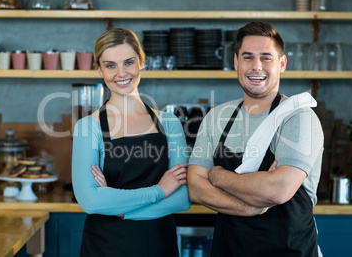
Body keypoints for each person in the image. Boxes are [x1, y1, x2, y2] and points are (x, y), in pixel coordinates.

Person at [188, 21, 324, 257]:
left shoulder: (298, 117)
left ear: (282, 64)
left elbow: (278, 191)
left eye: (266, 58)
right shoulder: (217, 117)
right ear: (235, 63)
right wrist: (253, 205)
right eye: (248, 57)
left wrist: (218, 176)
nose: (256, 66)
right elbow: (195, 187)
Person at [72, 28, 191, 257]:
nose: (121, 73)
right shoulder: (89, 127)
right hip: (105, 247)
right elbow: (91, 201)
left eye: (129, 62)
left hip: (159, 246)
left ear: (141, 62)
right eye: (110, 65)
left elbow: (182, 198)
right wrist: (160, 190)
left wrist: (121, 210)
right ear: (99, 69)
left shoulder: (169, 123)